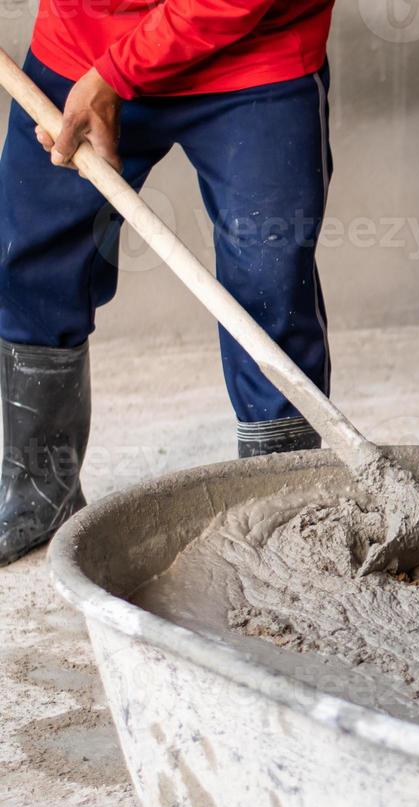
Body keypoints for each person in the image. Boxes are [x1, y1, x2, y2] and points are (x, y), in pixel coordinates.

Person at [0, 0, 337, 566]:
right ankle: (39, 492)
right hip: (83, 47)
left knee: (270, 281)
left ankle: (283, 507)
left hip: (253, 55)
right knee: (28, 263)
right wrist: (102, 69)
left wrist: (118, 74)